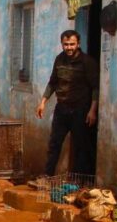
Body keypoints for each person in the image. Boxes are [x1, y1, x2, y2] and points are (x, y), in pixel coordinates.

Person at [36, 30, 99, 177]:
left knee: (81, 147)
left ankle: (80, 180)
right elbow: (52, 83)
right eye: (66, 44)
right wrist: (43, 102)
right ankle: (47, 175)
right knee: (54, 144)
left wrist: (92, 110)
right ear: (62, 44)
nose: (69, 48)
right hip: (62, 109)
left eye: (72, 44)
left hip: (80, 111)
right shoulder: (59, 60)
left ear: (78, 44)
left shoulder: (87, 62)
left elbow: (96, 87)